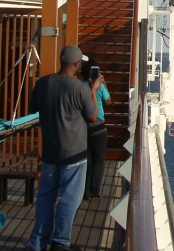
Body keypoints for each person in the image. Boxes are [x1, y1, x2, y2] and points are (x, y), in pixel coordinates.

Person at [28, 45, 100, 251]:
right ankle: (60, 241)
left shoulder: (43, 84)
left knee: (45, 196)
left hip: (50, 150)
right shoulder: (80, 88)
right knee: (69, 197)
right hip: (74, 153)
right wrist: (93, 90)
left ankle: (37, 242)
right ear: (77, 64)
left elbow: (33, 108)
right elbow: (92, 116)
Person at [80, 57, 110, 199]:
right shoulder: (99, 86)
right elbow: (108, 101)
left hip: (83, 125)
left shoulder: (80, 86)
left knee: (87, 159)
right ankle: (94, 191)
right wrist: (104, 84)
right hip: (98, 125)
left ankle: (84, 190)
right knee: (99, 160)